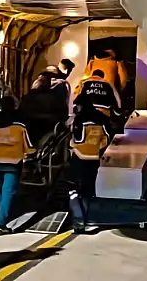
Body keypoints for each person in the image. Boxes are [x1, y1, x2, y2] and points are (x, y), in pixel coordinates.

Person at [68, 70, 117, 233]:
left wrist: (72, 144)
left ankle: (78, 221)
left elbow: (78, 139)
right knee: (88, 190)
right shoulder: (102, 118)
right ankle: (88, 221)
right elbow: (107, 137)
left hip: (79, 157)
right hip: (94, 157)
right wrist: (98, 148)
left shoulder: (80, 118)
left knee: (73, 189)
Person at [0, 96, 35, 235]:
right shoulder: (20, 123)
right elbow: (28, 145)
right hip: (13, 162)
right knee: (8, 192)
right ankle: (1, 223)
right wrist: (32, 152)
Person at [19, 72, 68, 148]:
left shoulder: (30, 96)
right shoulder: (55, 97)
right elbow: (63, 114)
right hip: (47, 128)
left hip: (31, 128)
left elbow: (22, 111)